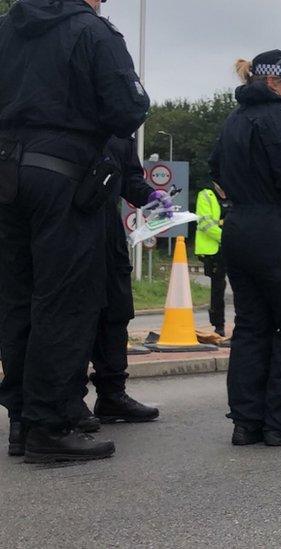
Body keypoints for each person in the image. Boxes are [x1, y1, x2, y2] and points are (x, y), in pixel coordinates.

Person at [0, 0, 149, 462]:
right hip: (63, 177)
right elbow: (128, 109)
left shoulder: (6, 28)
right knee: (64, 302)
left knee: (18, 300)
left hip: (6, 174)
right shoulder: (93, 32)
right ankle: (52, 422)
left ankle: (23, 420)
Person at [208, 50, 281, 446]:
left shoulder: (233, 120)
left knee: (252, 326)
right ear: (275, 82)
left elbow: (215, 168)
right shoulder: (276, 118)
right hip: (276, 229)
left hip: (238, 227)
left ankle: (247, 422)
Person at [76, 135, 168, 429]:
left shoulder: (119, 133)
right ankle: (69, 400)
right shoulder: (73, 117)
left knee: (116, 314)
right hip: (71, 227)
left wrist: (150, 196)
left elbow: (130, 179)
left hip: (109, 232)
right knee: (74, 317)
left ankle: (112, 395)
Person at [194, 183, 232, 337]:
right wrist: (228, 237)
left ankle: (242, 325)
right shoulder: (206, 195)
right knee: (218, 288)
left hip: (236, 247)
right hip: (215, 250)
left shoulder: (236, 191)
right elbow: (205, 223)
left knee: (242, 287)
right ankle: (218, 325)